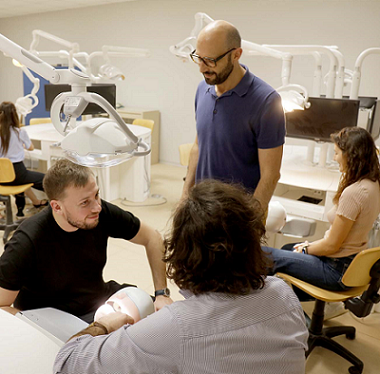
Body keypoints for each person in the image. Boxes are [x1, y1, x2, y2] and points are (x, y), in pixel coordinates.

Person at [53, 180, 308, 374]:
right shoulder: (282, 293)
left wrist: (106, 324)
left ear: (183, 254)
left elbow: (67, 363)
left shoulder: (176, 327)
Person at [0, 159, 173, 322]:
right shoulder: (27, 240)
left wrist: (162, 294)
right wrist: (44, 328)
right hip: (53, 318)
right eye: (85, 203)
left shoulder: (100, 212)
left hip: (98, 302)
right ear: (57, 207)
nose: (96, 207)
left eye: (96, 195)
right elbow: (2, 306)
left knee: (168, 319)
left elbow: (152, 237)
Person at [181, 20, 285, 212]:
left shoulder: (267, 101)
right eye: (199, 58)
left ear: (236, 54)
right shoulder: (202, 89)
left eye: (211, 60)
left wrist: (249, 223)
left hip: (240, 215)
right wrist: (185, 195)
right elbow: (198, 145)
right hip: (202, 208)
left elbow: (270, 175)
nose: (202, 68)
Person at [264, 127, 380, 298]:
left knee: (263, 255)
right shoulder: (373, 184)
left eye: (337, 153)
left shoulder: (354, 193)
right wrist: (306, 247)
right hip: (351, 265)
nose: (334, 158)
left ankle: (271, 311)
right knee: (288, 248)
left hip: (337, 271)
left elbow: (332, 245)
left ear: (351, 155)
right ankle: (292, 309)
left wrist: (305, 250)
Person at [0, 101, 48, 218]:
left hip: (1, 176)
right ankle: (50, 207)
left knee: (23, 180)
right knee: (46, 179)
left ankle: (30, 205)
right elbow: (30, 147)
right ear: (14, 115)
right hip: (18, 173)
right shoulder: (20, 132)